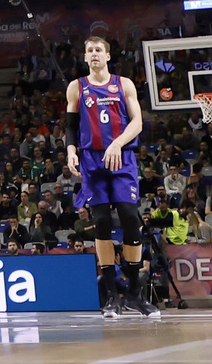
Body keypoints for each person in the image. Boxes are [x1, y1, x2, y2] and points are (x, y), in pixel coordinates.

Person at [69, 35, 159, 319]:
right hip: (92, 160)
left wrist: (117, 143)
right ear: (85, 57)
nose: (94, 54)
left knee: (131, 218)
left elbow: (138, 122)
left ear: (107, 56)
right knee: (102, 222)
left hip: (122, 158)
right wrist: (71, 151)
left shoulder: (124, 84)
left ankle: (134, 292)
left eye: (99, 50)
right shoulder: (76, 87)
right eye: (89, 50)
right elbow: (70, 127)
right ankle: (111, 297)